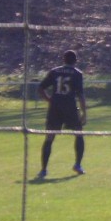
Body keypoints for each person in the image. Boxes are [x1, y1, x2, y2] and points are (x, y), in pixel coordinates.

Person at [37, 50, 87, 179]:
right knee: (79, 134)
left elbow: (40, 88)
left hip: (55, 108)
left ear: (63, 60)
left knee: (49, 138)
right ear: (75, 61)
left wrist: (49, 100)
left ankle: (43, 170)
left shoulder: (54, 71)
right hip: (70, 107)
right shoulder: (77, 74)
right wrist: (84, 112)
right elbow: (80, 95)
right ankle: (78, 164)